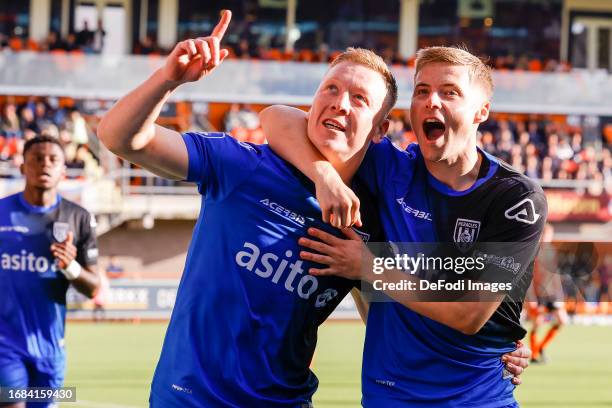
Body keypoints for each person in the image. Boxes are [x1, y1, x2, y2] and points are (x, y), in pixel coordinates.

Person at [97, 12, 528, 406]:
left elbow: (381, 302)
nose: (340, 103)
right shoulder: (243, 166)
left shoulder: (365, 214)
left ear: (381, 130)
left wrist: (491, 346)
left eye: (359, 99)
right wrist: (166, 79)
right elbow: (119, 138)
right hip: (189, 399)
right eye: (331, 89)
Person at [260, 45, 546, 407]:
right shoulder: (388, 169)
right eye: (422, 91)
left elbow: (469, 312)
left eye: (449, 92)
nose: (431, 102)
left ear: (481, 111)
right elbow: (277, 118)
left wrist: (368, 267)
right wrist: (325, 179)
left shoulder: (515, 198)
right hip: (387, 398)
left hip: (477, 400)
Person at [0, 135, 100, 408]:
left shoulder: (79, 218)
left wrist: (70, 266)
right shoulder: (1, 212)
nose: (44, 165)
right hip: (5, 343)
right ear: (22, 167)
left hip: (50, 347)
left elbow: (93, 287)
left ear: (63, 170)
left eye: (53, 160)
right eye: (36, 159)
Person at [527, 223, 568, 363]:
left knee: (562, 320)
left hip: (552, 294)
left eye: (549, 235)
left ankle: (541, 348)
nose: (546, 237)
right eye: (544, 235)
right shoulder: (533, 252)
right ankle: (533, 355)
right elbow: (528, 277)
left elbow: (555, 275)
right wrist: (531, 298)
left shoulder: (552, 251)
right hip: (538, 295)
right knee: (537, 323)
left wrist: (560, 296)